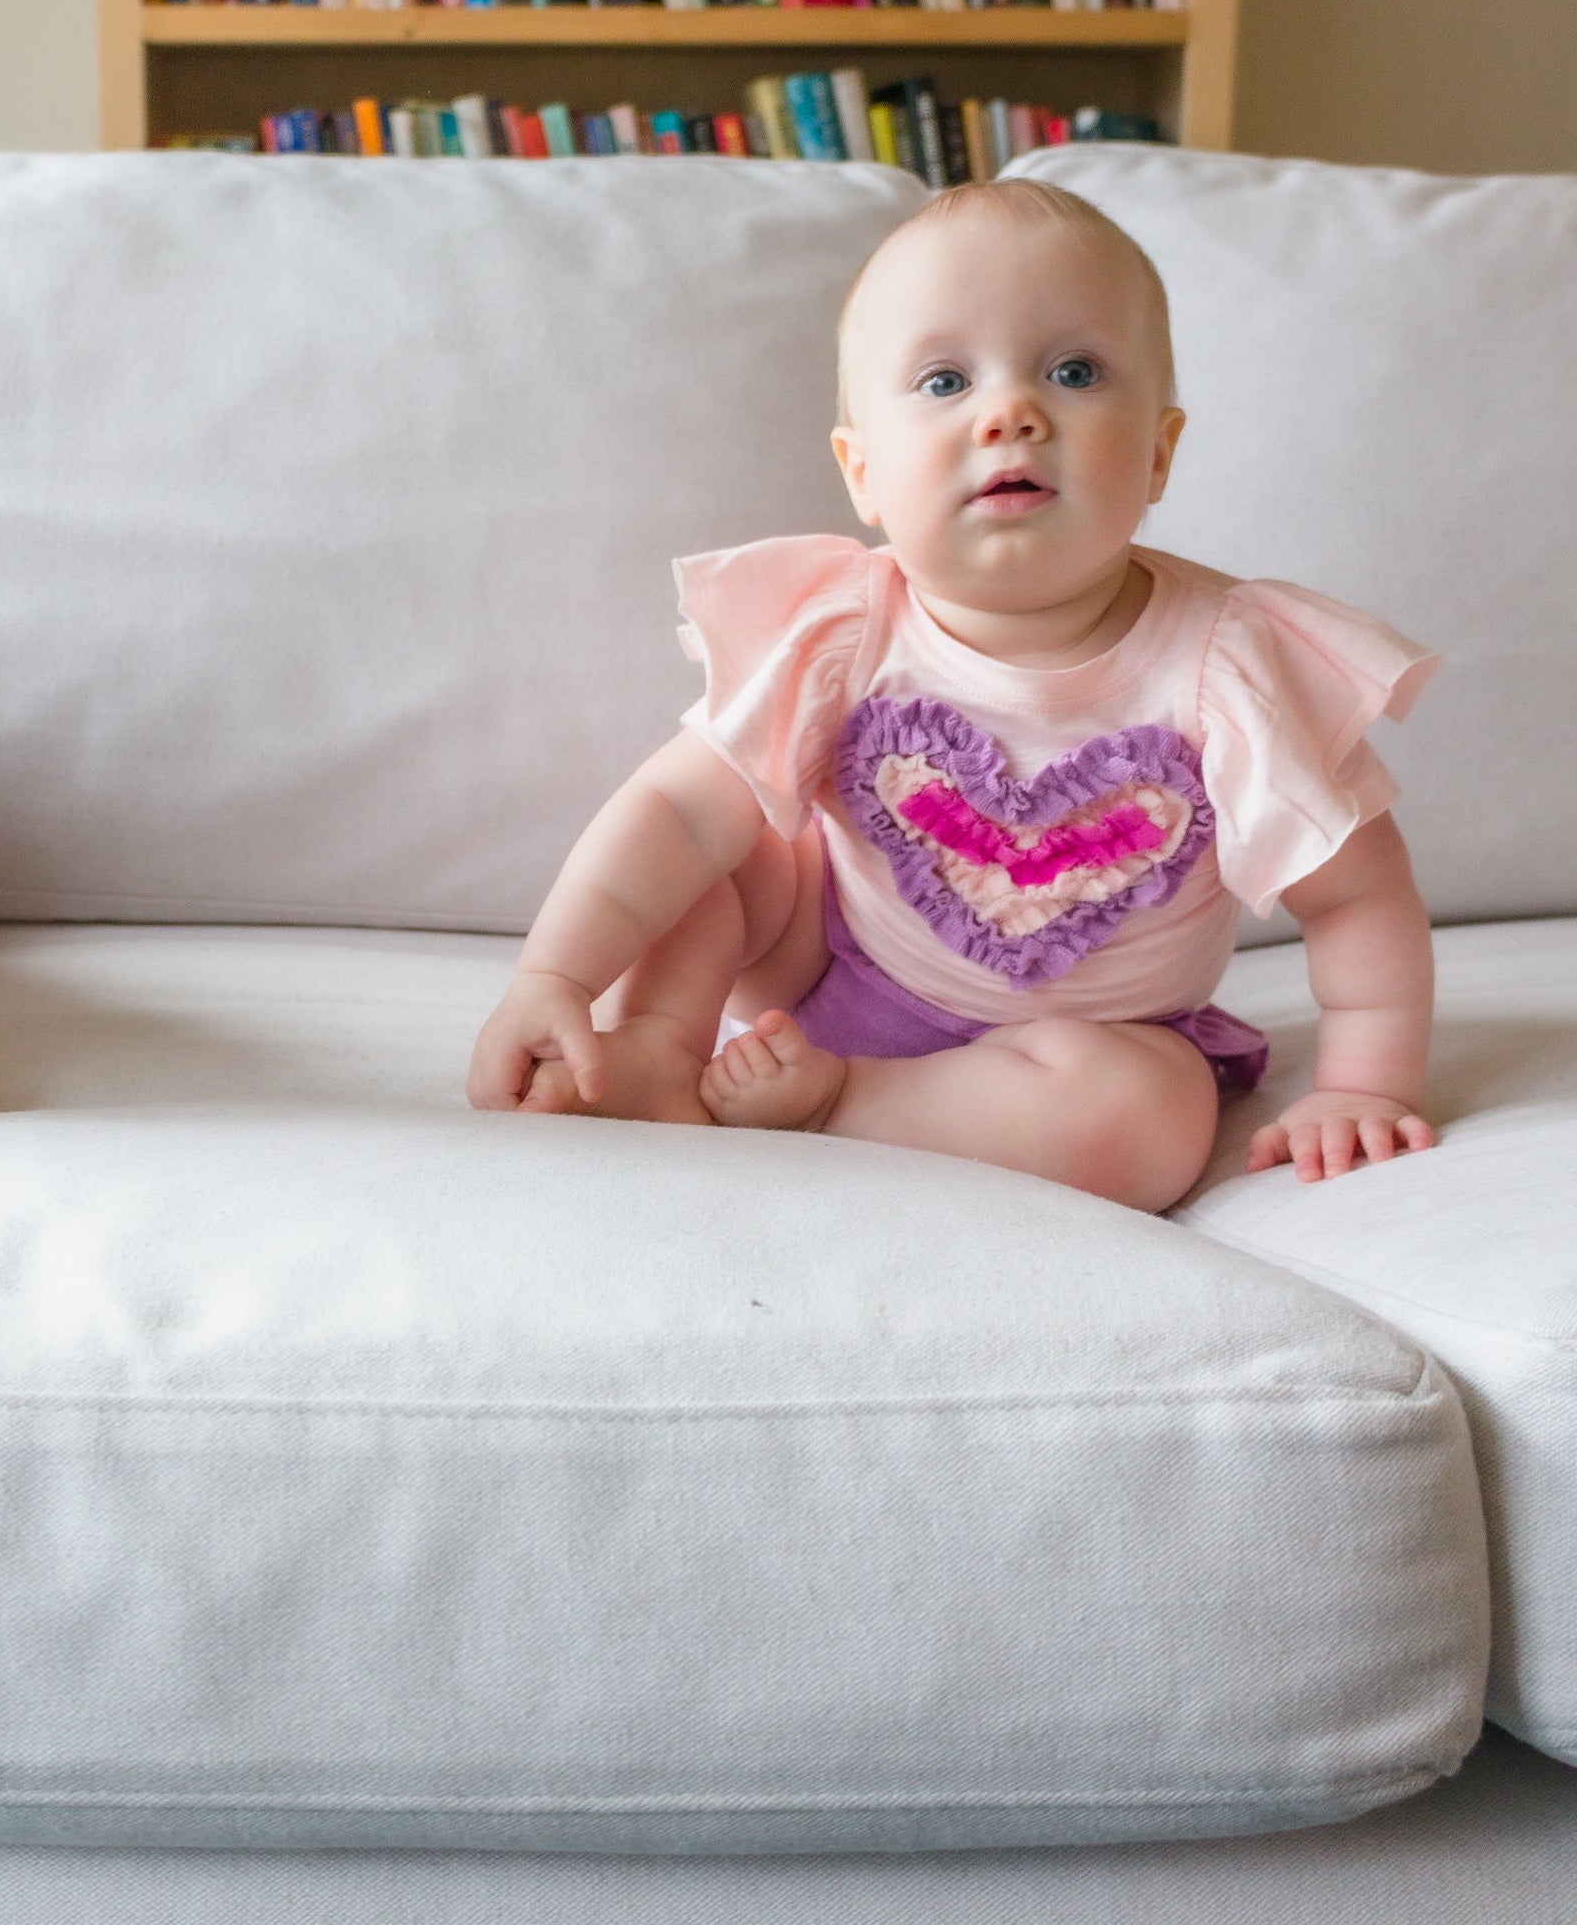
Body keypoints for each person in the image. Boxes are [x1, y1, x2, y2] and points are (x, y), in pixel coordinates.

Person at [466, 180, 1438, 1212]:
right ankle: (659, 1052)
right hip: (829, 966)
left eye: (1073, 371)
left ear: (1157, 450)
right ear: (863, 475)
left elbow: (1359, 894)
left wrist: (1363, 1087)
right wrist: (554, 980)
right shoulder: (842, 631)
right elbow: (668, 813)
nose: (1010, 412)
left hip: (1086, 1045)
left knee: (1148, 1120)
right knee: (721, 842)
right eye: (943, 381)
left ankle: (840, 1103)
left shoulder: (1224, 663)